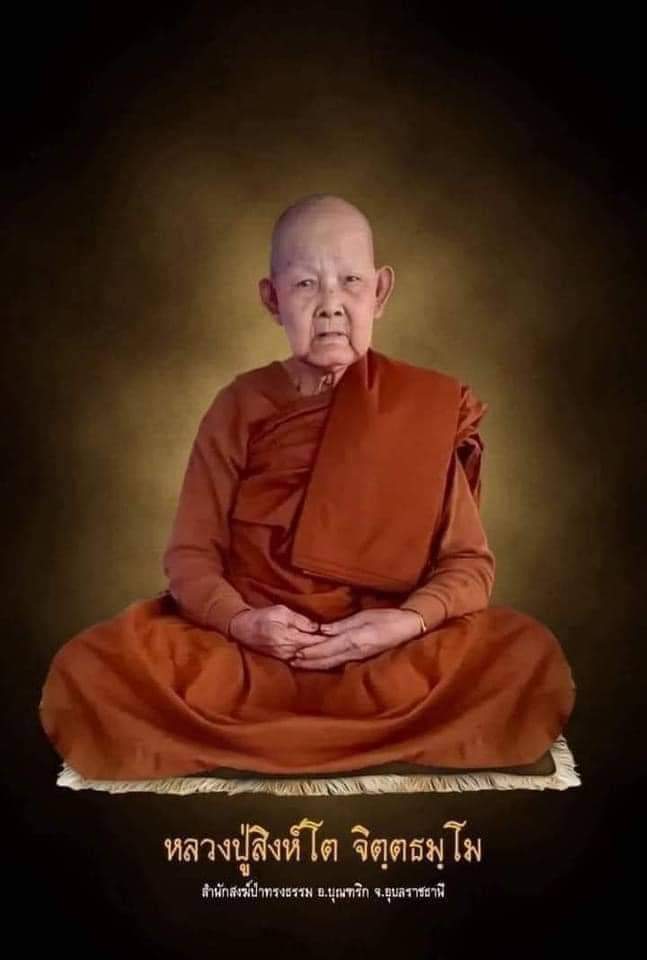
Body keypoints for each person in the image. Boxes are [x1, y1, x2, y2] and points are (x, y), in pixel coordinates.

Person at [38, 193, 576, 781]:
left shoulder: (419, 409)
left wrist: (401, 624)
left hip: (385, 652)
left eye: (350, 282)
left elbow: (468, 565)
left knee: (524, 657)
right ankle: (377, 739)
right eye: (304, 285)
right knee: (93, 669)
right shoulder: (239, 405)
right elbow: (191, 557)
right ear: (272, 299)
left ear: (380, 292)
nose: (331, 306)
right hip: (249, 653)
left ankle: (266, 741)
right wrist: (244, 623)